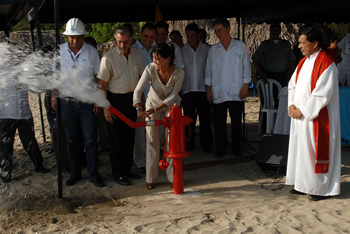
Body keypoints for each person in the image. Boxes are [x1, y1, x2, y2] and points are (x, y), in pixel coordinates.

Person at [286, 25, 341, 201]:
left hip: (317, 117)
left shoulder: (327, 63)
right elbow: (292, 85)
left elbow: (323, 93)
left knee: (313, 151)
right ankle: (303, 185)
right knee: (301, 151)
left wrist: (302, 110)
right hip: (300, 116)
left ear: (315, 43)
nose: (299, 46)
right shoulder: (303, 62)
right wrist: (292, 106)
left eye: (302, 43)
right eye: (299, 43)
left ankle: (321, 189)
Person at [51, 18, 104, 187]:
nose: (75, 41)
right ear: (67, 37)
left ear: (83, 36)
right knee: (71, 139)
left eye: (78, 37)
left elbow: (98, 78)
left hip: (87, 101)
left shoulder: (91, 52)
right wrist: (54, 97)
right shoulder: (59, 52)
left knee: (90, 140)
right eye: (72, 37)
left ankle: (94, 174)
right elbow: (55, 78)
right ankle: (74, 173)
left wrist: (98, 99)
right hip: (67, 102)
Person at [133, 43, 185, 190]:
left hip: (172, 105)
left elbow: (173, 96)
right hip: (152, 104)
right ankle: (151, 178)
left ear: (168, 59)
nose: (155, 61)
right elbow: (137, 91)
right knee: (152, 141)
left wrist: (156, 108)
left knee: (171, 142)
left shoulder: (179, 72)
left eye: (158, 59)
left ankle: (172, 176)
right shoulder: (150, 68)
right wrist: (139, 107)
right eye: (153, 58)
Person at [98, 25, 142, 186]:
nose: (122, 45)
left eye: (125, 42)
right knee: (116, 140)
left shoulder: (136, 54)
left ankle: (127, 169)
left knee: (129, 138)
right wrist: (106, 108)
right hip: (114, 102)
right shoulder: (108, 58)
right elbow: (102, 85)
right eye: (119, 42)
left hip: (132, 100)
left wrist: (140, 104)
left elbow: (139, 79)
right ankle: (118, 174)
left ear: (131, 40)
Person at [205, 18, 251, 158]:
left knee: (236, 121)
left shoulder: (239, 46)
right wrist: (208, 89)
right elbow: (208, 70)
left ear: (228, 29)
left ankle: (236, 148)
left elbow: (246, 67)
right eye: (216, 31)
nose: (218, 34)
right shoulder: (213, 50)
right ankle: (221, 148)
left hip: (237, 91)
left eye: (220, 30)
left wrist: (245, 86)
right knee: (219, 122)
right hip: (218, 90)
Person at [0, 69, 50, 183]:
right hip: (6, 114)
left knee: (30, 142)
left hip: (24, 113)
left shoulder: (24, 68)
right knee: (5, 146)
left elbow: (36, 89)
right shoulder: (2, 67)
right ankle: (5, 173)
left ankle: (38, 165)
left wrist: (44, 81)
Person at [181, 23, 213, 152]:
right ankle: (188, 145)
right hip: (187, 90)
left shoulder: (207, 49)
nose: (190, 38)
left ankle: (207, 146)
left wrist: (209, 89)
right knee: (188, 121)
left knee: (205, 119)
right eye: (188, 36)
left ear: (198, 35)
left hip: (203, 90)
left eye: (192, 35)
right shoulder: (182, 50)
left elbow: (211, 70)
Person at [131, 23, 157, 174]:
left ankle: (153, 159)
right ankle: (141, 161)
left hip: (156, 98)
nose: (148, 40)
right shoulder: (132, 50)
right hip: (139, 97)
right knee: (140, 132)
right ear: (140, 34)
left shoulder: (158, 49)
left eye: (152, 37)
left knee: (156, 131)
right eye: (146, 36)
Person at [253, 23, 296, 108]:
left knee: (281, 100)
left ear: (279, 31)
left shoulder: (285, 44)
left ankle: (279, 120)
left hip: (282, 76)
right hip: (267, 76)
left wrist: (292, 76)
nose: (273, 32)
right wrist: (262, 74)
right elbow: (256, 60)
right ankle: (265, 120)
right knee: (266, 101)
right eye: (271, 30)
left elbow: (291, 61)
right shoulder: (264, 44)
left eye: (275, 30)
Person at [84, 37, 108, 153]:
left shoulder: (100, 59)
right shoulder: (83, 58)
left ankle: (103, 144)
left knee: (101, 122)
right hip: (86, 97)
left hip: (98, 96)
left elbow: (101, 80)